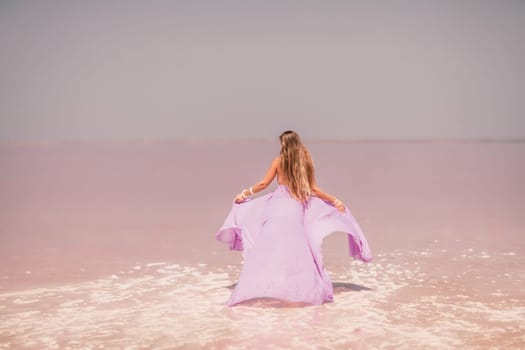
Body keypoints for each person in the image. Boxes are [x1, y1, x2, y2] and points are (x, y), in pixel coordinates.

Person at [215, 130, 372, 306]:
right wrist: (335, 201)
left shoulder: (278, 161)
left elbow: (263, 184)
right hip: (295, 207)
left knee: (267, 247)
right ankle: (302, 291)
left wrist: (244, 193)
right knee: (297, 249)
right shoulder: (305, 162)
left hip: (275, 207)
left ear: (284, 143)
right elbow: (313, 189)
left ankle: (257, 287)